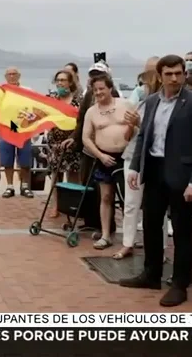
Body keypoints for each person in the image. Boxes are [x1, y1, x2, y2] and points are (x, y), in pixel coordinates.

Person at [120, 54, 192, 307]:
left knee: (182, 232)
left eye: (178, 73)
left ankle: (180, 284)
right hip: (154, 170)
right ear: (159, 76)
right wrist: (136, 167)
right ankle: (151, 275)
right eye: (169, 73)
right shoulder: (150, 102)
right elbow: (144, 136)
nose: (174, 78)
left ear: (184, 74)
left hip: (182, 174)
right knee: (151, 225)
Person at [82, 73, 134, 249]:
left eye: (101, 88)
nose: (98, 92)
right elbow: (86, 138)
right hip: (104, 157)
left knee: (129, 198)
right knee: (106, 196)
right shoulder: (91, 111)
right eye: (95, 90)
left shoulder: (125, 104)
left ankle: (130, 236)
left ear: (110, 88)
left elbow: (137, 127)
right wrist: (100, 155)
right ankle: (105, 235)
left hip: (126, 156)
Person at [118, 68, 166, 259]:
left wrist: (139, 124)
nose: (141, 88)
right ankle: (127, 243)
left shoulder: (164, 106)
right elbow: (127, 137)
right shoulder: (139, 105)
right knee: (130, 203)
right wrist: (131, 125)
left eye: (144, 84)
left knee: (158, 206)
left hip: (155, 160)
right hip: (132, 157)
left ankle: (159, 248)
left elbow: (159, 136)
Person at [46, 70, 82, 217]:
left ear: (70, 83)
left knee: (73, 175)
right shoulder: (51, 99)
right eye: (58, 80)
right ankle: (56, 206)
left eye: (63, 80)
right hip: (54, 142)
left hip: (72, 142)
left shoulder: (77, 101)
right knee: (55, 176)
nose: (60, 83)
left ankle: (74, 206)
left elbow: (81, 121)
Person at [0, 67, 33, 198]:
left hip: (23, 129)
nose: (12, 76)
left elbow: (34, 107)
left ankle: (24, 186)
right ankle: (9, 186)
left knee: (25, 160)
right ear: (5, 76)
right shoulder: (1, 92)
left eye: (14, 74)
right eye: (9, 74)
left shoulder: (27, 91)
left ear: (19, 76)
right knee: (7, 159)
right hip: (7, 129)